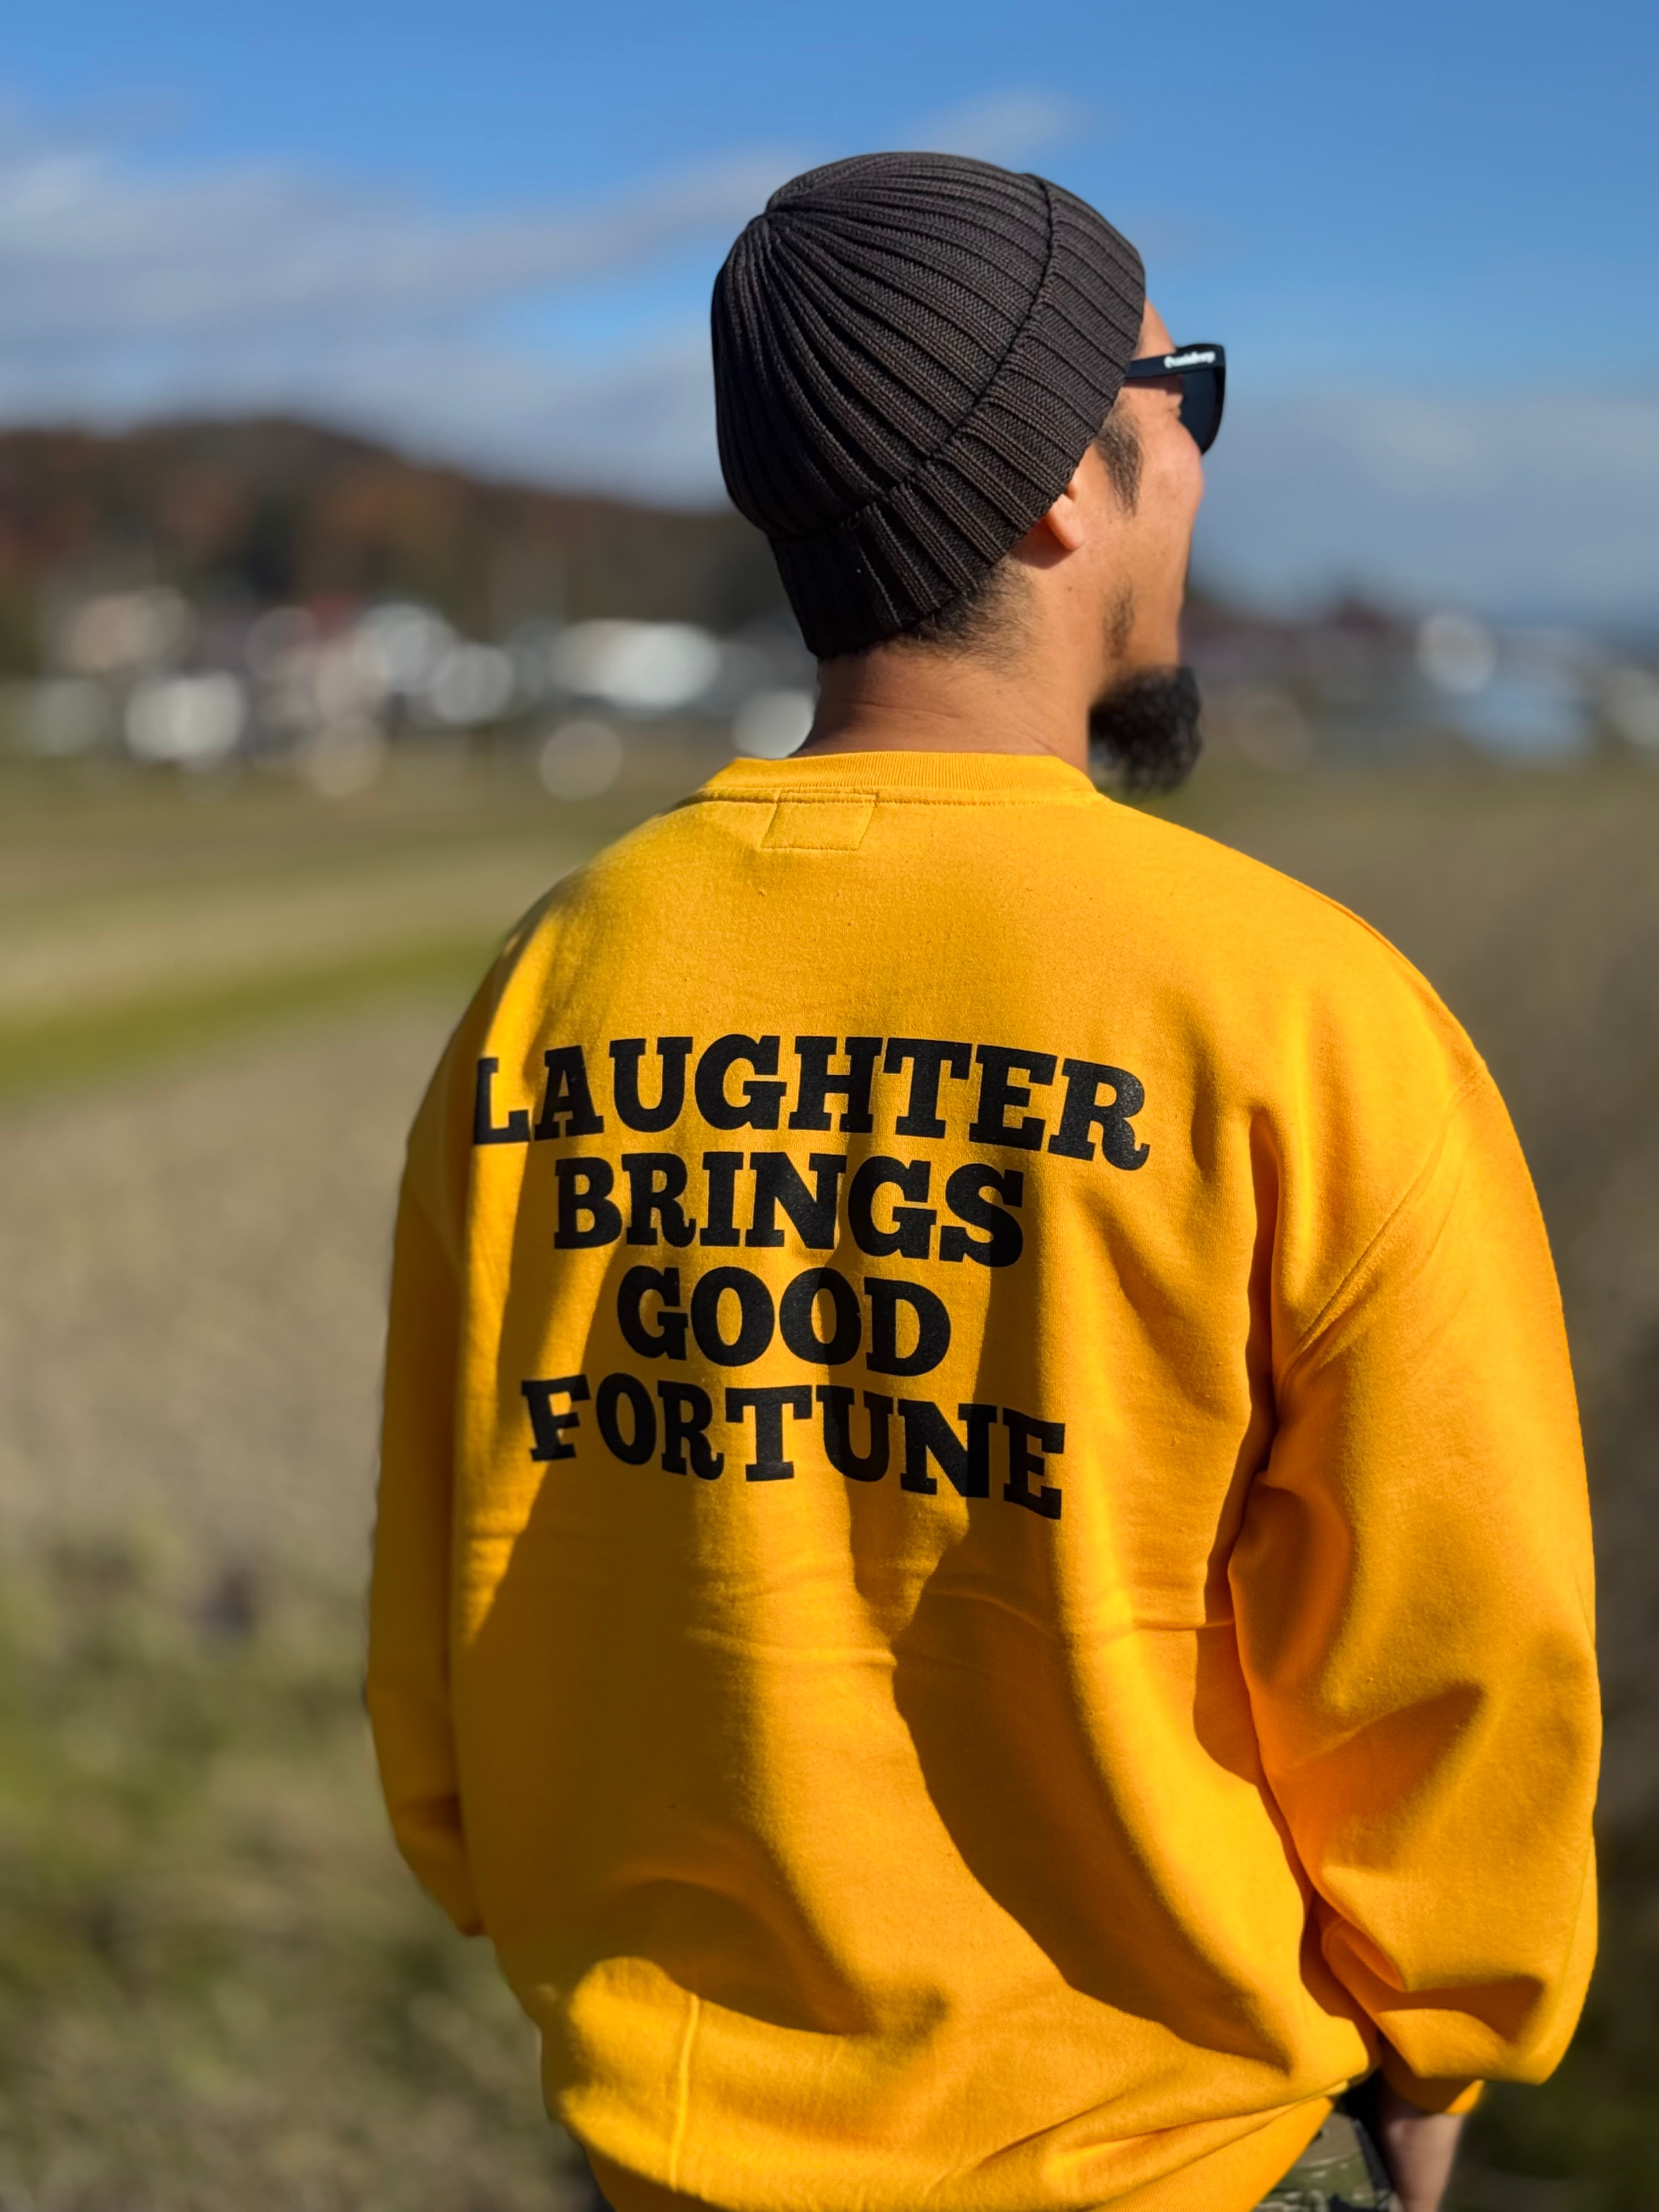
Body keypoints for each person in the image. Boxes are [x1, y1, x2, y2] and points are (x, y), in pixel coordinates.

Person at [367, 153, 1599, 2212]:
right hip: (1168, 2155)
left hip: (667, 2150)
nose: (1198, 462)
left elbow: (454, 1586)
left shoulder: (558, 986)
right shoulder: (1299, 1015)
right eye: (1180, 399)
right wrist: (1444, 2053)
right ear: (1054, 488)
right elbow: (1456, 1652)